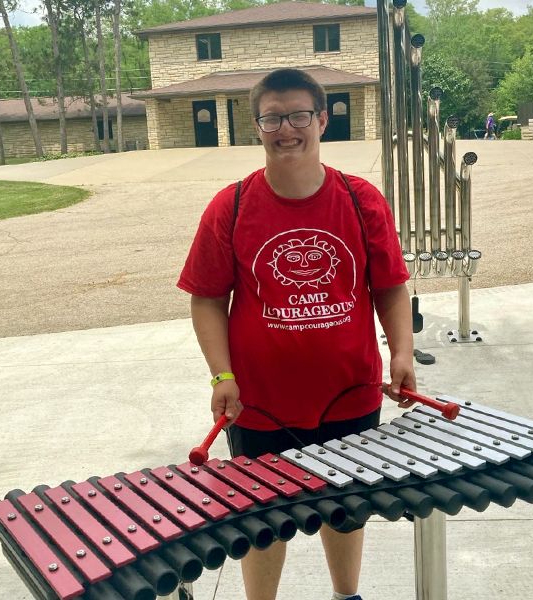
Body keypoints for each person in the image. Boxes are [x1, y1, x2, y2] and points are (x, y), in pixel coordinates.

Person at [177, 68, 416, 600]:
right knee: (262, 520)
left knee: (346, 508)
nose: (286, 128)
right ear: (256, 125)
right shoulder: (230, 206)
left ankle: (345, 595)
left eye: (299, 115)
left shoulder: (360, 199)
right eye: (272, 117)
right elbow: (208, 300)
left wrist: (401, 350)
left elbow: (391, 287)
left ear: (323, 120)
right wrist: (221, 373)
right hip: (259, 403)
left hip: (350, 393)